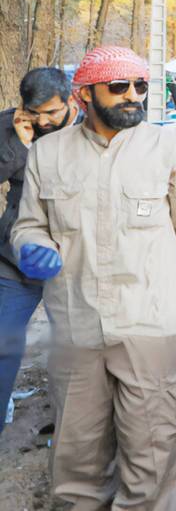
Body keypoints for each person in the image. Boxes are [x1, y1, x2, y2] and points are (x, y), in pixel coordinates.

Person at [11, 45, 176, 508]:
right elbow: (30, 222)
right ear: (85, 93)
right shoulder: (47, 154)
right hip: (76, 329)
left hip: (152, 328)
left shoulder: (169, 148)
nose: (133, 95)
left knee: (150, 460)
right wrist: (31, 245)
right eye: (119, 87)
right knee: (75, 465)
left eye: (140, 87)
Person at [0, 68, 75, 435]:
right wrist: (20, 143)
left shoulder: (92, 131)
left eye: (51, 113)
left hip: (72, 264)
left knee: (75, 353)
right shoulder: (9, 125)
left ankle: (72, 433)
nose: (43, 121)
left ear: (70, 100)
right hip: (16, 260)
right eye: (35, 112)